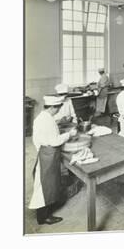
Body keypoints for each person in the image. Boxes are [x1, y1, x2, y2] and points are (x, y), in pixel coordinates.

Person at [28, 95, 77, 225]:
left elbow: (39, 138)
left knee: (46, 184)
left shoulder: (42, 116)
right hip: (48, 154)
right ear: (52, 107)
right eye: (58, 109)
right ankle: (44, 217)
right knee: (46, 186)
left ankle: (45, 212)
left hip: (44, 152)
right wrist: (69, 135)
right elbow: (55, 141)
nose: (58, 111)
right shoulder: (47, 120)